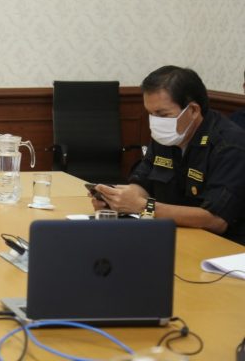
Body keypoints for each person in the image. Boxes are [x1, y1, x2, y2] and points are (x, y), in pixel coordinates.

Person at [92, 66, 245, 245]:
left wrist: (144, 207)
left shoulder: (230, 145)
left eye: (162, 114)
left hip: (220, 246)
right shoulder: (166, 135)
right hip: (170, 235)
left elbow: (216, 220)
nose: (155, 122)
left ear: (193, 110)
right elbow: (144, 181)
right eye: (150, 114)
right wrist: (117, 199)